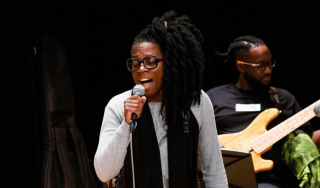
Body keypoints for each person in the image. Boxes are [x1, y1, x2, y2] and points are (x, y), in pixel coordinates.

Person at [94, 11, 228, 188]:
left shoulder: (197, 101)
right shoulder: (119, 105)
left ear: (170, 63)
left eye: (151, 61)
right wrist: (126, 125)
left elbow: (214, 171)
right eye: (135, 63)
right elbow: (104, 172)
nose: (141, 69)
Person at [206, 35, 319, 188]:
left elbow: (307, 141)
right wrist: (211, 145)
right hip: (222, 179)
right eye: (260, 65)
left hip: (267, 181)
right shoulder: (214, 98)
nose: (268, 70)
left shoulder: (282, 99)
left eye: (270, 63)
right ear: (240, 66)